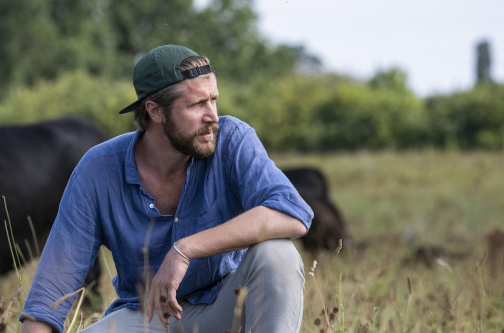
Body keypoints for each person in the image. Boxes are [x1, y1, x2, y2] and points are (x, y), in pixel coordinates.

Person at [20, 44, 314, 332]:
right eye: (197, 104)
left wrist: (185, 249)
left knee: (278, 253)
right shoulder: (97, 169)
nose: (212, 116)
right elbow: (49, 295)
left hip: (228, 307)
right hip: (148, 317)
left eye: (213, 99)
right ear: (155, 111)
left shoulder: (233, 140)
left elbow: (292, 214)